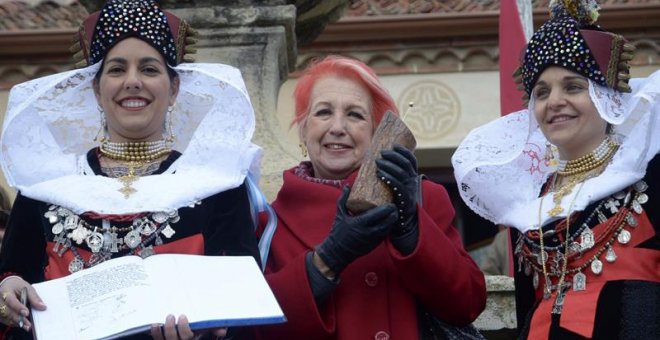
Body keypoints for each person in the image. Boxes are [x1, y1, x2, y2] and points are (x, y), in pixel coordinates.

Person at [0, 0, 266, 339]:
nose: (133, 81)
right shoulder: (46, 186)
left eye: (150, 69)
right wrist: (8, 291)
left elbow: (243, 306)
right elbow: (12, 277)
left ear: (174, 90)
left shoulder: (216, 185)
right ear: (97, 90)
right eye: (116, 69)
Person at [452, 1, 660, 339]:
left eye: (574, 87)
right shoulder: (530, 203)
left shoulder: (647, 175)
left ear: (607, 97)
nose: (554, 101)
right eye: (542, 92)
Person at [253, 55, 486, 339]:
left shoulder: (425, 198)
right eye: (323, 112)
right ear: (303, 130)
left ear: (376, 132)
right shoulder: (270, 221)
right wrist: (327, 259)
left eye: (355, 114)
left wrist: (411, 229)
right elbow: (259, 326)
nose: (337, 127)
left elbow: (468, 303)